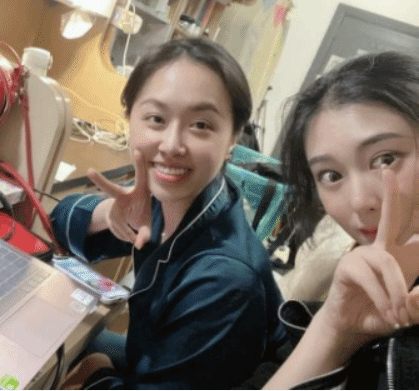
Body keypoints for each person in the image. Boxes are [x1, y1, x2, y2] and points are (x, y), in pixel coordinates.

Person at [50, 37, 287, 389]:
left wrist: (96, 372)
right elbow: (59, 222)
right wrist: (109, 213)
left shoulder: (224, 281)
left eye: (201, 125)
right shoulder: (177, 193)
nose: (172, 145)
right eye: (156, 119)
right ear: (130, 120)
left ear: (232, 139)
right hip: (156, 354)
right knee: (55, 340)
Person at [264, 51, 419, 388]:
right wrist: (333, 329)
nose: (360, 202)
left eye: (385, 159)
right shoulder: (344, 276)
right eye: (331, 175)